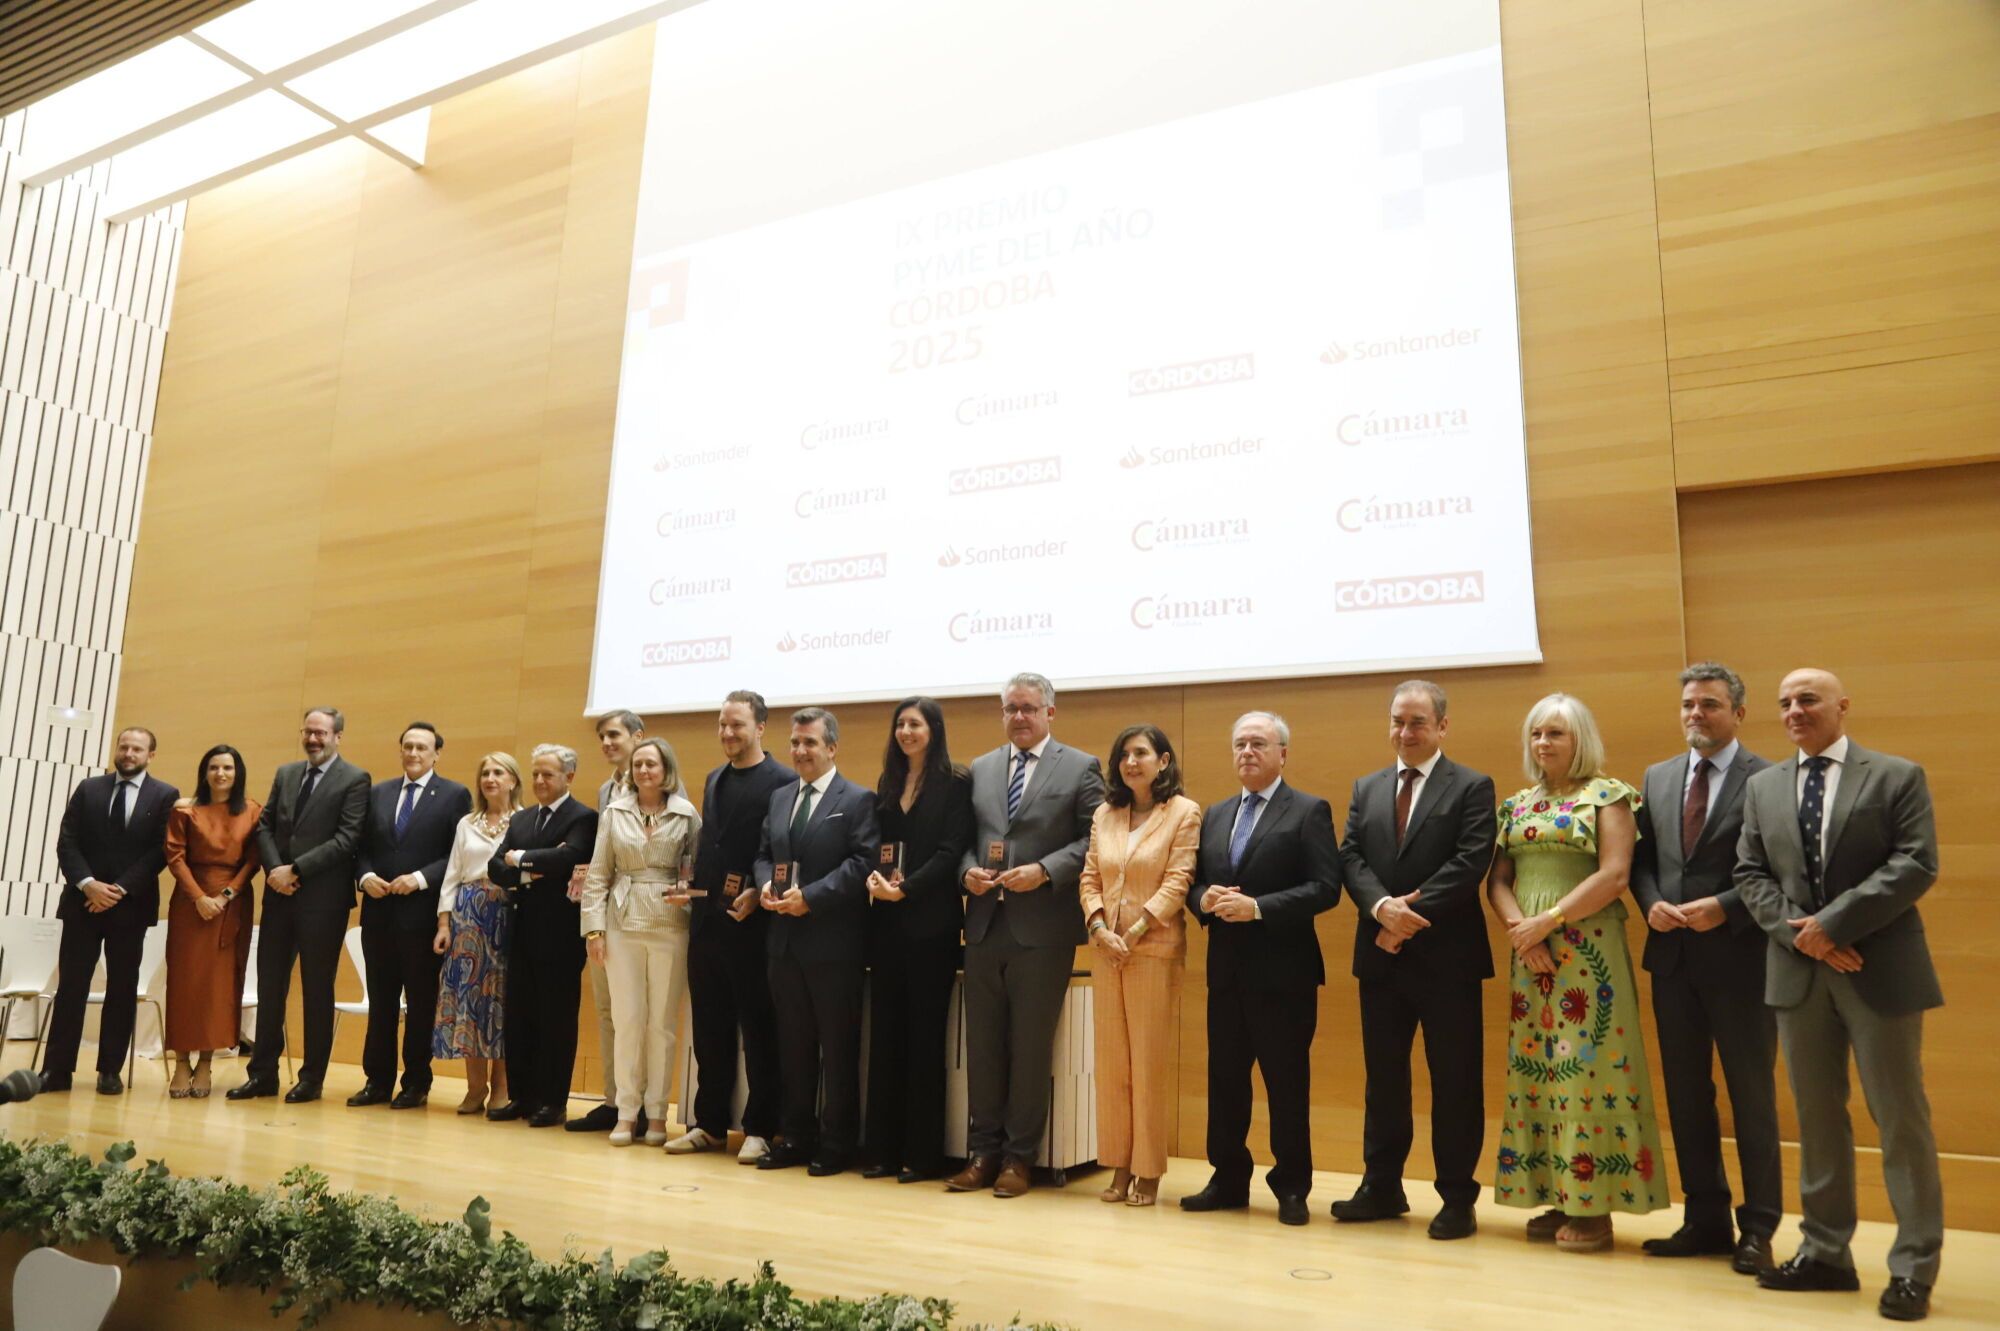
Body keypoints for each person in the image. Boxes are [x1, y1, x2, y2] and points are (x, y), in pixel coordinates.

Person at [1737, 669, 1943, 1322]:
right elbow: (1749, 871)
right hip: (1799, 974)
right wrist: (1803, 937)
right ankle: (1826, 1253)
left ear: (1842, 706)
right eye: (1785, 703)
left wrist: (1835, 924)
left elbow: (1915, 862)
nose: (1794, 710)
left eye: (1808, 699)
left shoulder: (1895, 775)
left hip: (1878, 971)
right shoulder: (1763, 785)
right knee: (1818, 1118)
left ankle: (1913, 1267)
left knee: (1899, 1118)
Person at [1488, 692, 1668, 1251]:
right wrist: (1523, 933)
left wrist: (1549, 922)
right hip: (1532, 955)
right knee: (1540, 1068)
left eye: (1556, 734)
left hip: (1586, 951)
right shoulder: (1517, 803)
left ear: (1580, 739)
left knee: (1591, 1071)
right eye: (1537, 734)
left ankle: (1596, 1206)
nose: (1544, 743)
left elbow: (1616, 875)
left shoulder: (1609, 796)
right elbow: (1496, 881)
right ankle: (1558, 1192)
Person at [1333, 681, 1498, 1240]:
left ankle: (1457, 1198)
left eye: (1418, 722)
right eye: (1398, 721)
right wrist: (1381, 908)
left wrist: (1407, 913)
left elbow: (1470, 861)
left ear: (1442, 726)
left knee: (1455, 1082)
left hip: (1447, 958)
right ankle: (1381, 1186)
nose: (1406, 732)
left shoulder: (1473, 786)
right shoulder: (1367, 786)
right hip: (1380, 957)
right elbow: (1351, 856)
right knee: (1384, 1081)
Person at [1630, 663, 1780, 1274]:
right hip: (1673, 961)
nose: (1697, 714)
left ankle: (1760, 1228)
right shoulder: (1658, 776)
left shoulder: (1770, 779)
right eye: (1689, 704)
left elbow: (1780, 872)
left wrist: (1725, 907)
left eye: (1711, 705)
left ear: (1738, 714)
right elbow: (1641, 862)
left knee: (1752, 1098)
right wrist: (1649, 905)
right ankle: (1705, 1218)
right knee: (1688, 1096)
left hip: (1742, 961)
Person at [948, 672, 1105, 1199]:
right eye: (1011, 708)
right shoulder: (983, 768)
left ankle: (1020, 1158)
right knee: (984, 1049)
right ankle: (981, 1153)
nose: (1019, 716)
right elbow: (966, 841)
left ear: (1049, 713)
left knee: (1030, 1050)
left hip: (1044, 930)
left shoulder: (1081, 767)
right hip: (985, 924)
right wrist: (967, 870)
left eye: (1029, 708)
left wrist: (1045, 870)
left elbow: (1095, 839)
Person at [1181, 711, 1341, 1226]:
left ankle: (1291, 1187)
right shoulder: (1217, 813)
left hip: (1284, 976)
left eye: (1258, 743)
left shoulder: (1308, 810)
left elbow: (1325, 888)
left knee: (1286, 1085)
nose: (1247, 752)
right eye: (1239, 744)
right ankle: (1227, 1178)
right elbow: (1195, 882)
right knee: (1226, 1082)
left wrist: (1259, 907)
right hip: (1226, 973)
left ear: (1282, 754)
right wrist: (1203, 899)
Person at [752, 707, 878, 1176]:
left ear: (832, 748)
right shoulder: (780, 797)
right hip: (782, 944)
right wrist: (765, 884)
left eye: (810, 743)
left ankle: (838, 1143)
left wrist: (812, 898)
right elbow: (764, 854)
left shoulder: (858, 799)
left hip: (834, 946)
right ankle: (796, 1136)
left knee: (838, 1049)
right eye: (795, 743)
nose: (800, 751)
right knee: (794, 1047)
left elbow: (863, 864)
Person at [1078, 723, 1199, 1207]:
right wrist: (1099, 927)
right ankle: (1120, 1164)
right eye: (1124, 754)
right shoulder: (1105, 813)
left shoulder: (1183, 812)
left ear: (1163, 761)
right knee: (1113, 1067)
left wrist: (1135, 930)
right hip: (1106, 952)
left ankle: (1148, 1169)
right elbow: (1089, 876)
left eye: (1142, 753)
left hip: (1152, 950)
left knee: (1146, 1065)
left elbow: (1180, 878)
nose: (1131, 762)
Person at [671, 690, 793, 1163]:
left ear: (760, 728)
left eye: (736, 725)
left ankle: (762, 1127)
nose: (727, 733)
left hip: (754, 924)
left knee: (760, 1031)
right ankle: (710, 1124)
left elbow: (778, 853)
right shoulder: (714, 777)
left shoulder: (782, 781)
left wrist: (759, 897)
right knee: (710, 1029)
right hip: (706, 924)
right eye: (722, 725)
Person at [861, 697, 974, 1183]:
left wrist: (906, 887)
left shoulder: (956, 783)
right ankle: (883, 1151)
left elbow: (952, 852)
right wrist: (875, 881)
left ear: (934, 730)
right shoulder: (887, 782)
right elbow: (873, 849)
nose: (906, 731)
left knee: (925, 1042)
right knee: (885, 1039)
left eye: (916, 724)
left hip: (933, 927)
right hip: (886, 927)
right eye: (901, 724)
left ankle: (921, 1154)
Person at [232, 707, 369, 1104]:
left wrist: (296, 869)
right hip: (279, 895)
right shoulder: (286, 773)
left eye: (321, 733)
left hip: (322, 901)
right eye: (309, 732)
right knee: (270, 987)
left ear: (338, 736)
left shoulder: (355, 779)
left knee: (316, 991)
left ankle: (311, 1079)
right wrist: (276, 869)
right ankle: (262, 1074)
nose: (313, 739)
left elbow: (347, 839)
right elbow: (264, 826)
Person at [42, 727, 179, 1095]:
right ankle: (56, 1070)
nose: (129, 753)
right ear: (116, 750)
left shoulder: (165, 795)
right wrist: (88, 884)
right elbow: (67, 841)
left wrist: (118, 889)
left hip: (128, 907)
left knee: (121, 989)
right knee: (71, 987)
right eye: (124, 746)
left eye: (138, 748)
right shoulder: (89, 788)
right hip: (82, 904)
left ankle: (109, 1071)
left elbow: (160, 850)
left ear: (151, 754)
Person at [581, 737, 701, 1146]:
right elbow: (598, 874)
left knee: (661, 1025)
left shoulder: (687, 814)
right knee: (628, 1020)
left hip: (671, 924)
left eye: (651, 764)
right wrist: (594, 931)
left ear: (667, 769)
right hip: (622, 923)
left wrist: (690, 889)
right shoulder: (614, 813)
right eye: (638, 765)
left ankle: (656, 1115)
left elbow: (696, 869)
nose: (644, 771)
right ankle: (626, 1112)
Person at [351, 722, 472, 1110]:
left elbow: (456, 853)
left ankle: (416, 1082)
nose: (414, 753)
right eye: (408, 747)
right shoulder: (379, 792)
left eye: (422, 747)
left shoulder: (454, 795)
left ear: (437, 752)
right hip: (379, 916)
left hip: (423, 918)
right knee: (381, 1003)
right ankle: (377, 1081)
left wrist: (420, 879)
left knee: (421, 1005)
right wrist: (365, 876)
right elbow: (362, 847)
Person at [486, 744, 598, 1127]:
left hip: (561, 933)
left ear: (568, 776)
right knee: (520, 1014)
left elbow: (570, 859)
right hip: (522, 929)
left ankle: (552, 1100)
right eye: (535, 774)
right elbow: (495, 867)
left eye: (547, 774)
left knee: (556, 1017)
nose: (538, 781)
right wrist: (531, 867)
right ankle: (522, 1095)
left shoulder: (582, 816)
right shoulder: (523, 819)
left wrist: (521, 859)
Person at [162, 744, 260, 1099]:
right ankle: (180, 1063)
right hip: (191, 904)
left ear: (238, 773)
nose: (221, 774)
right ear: (204, 772)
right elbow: (174, 856)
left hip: (230, 905)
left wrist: (225, 896)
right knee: (185, 984)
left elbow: (253, 861)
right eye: (214, 767)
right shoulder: (185, 810)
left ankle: (206, 1063)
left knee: (219, 988)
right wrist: (199, 897)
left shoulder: (252, 812)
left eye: (228, 768)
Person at [433, 752, 525, 1115]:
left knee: (500, 1000)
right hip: (469, 915)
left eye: (498, 772)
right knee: (470, 999)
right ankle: (475, 1087)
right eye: (485, 772)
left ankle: (502, 1086)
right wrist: (443, 923)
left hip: (507, 912)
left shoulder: (524, 821)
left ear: (513, 780)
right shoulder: (467, 823)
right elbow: (452, 875)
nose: (490, 778)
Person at [569, 709, 646, 1135]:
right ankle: (615, 1100)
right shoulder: (604, 789)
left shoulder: (658, 781)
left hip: (642, 911)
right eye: (602, 736)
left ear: (638, 736)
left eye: (614, 734)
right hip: (604, 907)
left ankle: (641, 1105)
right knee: (606, 1009)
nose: (607, 743)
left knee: (638, 1011)